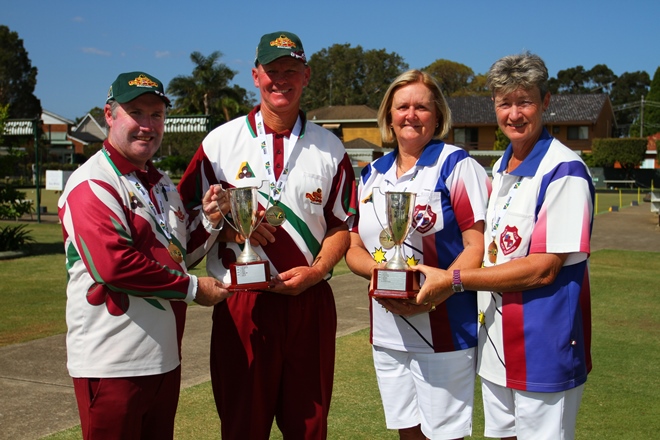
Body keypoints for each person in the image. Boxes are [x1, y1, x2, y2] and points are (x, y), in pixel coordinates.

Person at [177, 31, 357, 439]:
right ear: (255, 75)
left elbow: (341, 225)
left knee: (308, 428)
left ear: (306, 75)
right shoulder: (219, 143)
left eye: (290, 70)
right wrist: (222, 227)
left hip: (308, 301)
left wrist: (319, 270)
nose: (281, 79)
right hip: (242, 304)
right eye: (272, 71)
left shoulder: (331, 148)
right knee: (243, 426)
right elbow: (186, 223)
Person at [412, 53, 594, 440]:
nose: (514, 114)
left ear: (545, 103)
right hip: (494, 347)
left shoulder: (565, 171)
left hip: (543, 349)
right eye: (504, 103)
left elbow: (543, 268)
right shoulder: (500, 166)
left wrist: (453, 280)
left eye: (524, 101)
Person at [58, 71, 233, 439]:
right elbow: (114, 266)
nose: (147, 126)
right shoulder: (93, 182)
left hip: (162, 359)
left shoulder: (161, 183)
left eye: (156, 115)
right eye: (136, 112)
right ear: (109, 115)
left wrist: (211, 221)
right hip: (111, 364)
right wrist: (192, 290)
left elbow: (178, 255)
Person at [345, 69, 491, 440]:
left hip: (446, 330)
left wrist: (440, 288)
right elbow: (354, 248)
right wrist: (383, 276)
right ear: (389, 116)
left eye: (422, 107)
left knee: (443, 436)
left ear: (438, 116)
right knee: (408, 434)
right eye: (403, 106)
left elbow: (477, 246)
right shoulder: (370, 174)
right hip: (388, 331)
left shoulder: (458, 165)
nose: (411, 115)